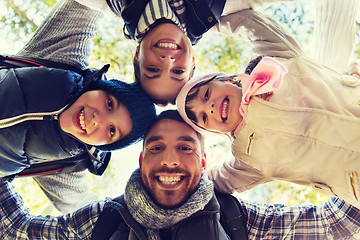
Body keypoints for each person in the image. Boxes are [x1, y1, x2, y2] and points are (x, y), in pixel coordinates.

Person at [0, 110, 360, 239]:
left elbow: (335, 224)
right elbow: (15, 230)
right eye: (156, 148)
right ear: (141, 160)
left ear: (204, 162)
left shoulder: (243, 222)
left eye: (185, 148)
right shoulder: (100, 223)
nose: (169, 161)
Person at [176, 0, 360, 209]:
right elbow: (214, 181)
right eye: (204, 118)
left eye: (206, 94)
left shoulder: (278, 62)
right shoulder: (248, 159)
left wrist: (203, 23)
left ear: (228, 80)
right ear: (214, 131)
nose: (209, 108)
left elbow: (249, 24)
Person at [0, 0, 156, 212]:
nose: (97, 119)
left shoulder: (67, 163)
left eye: (111, 130)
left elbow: (84, 211)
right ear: (100, 87)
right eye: (109, 103)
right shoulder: (63, 58)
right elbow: (84, 6)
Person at [77, 0, 303, 106]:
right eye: (178, 71)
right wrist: (221, 21)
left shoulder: (109, 2)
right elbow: (289, 55)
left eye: (153, 69)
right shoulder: (220, 7)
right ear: (193, 59)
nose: (167, 61)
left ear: (137, 55)